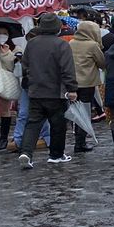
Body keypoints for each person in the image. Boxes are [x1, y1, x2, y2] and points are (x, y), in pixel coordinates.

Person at [19, 12, 79, 169]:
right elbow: (68, 69)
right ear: (57, 28)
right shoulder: (62, 45)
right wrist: (72, 88)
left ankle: (26, 153)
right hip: (56, 93)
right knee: (58, 124)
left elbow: (24, 66)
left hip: (35, 91)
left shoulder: (32, 43)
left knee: (32, 124)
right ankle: (56, 155)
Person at [69, 17, 105, 153]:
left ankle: (77, 137)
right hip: (87, 83)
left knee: (75, 112)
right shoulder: (92, 45)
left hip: (72, 83)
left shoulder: (71, 42)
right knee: (85, 112)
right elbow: (102, 62)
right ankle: (80, 142)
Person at [0, 25, 19, 150]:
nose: (1, 35)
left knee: (5, 111)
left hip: (5, 84)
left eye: (4, 33)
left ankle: (3, 139)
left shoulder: (14, 48)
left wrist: (6, 54)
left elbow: (13, 67)